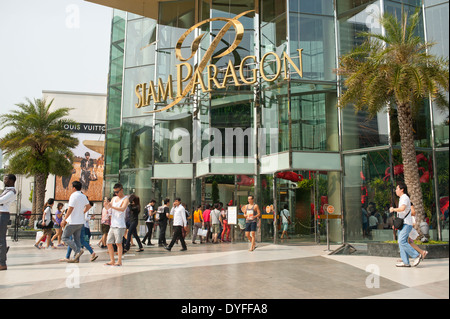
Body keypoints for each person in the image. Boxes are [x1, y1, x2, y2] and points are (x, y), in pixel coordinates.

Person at [390, 182, 422, 267]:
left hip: (406, 224)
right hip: (402, 224)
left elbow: (402, 208)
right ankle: (405, 262)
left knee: (401, 241)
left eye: (397, 189)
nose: (396, 190)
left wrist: (393, 209)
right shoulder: (402, 198)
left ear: (402, 189)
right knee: (401, 242)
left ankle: (417, 255)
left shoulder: (404, 197)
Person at [61, 181, 92, 263]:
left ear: (74, 188)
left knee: (64, 237)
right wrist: (83, 212)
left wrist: (64, 219)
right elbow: (88, 206)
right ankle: (76, 258)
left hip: (72, 221)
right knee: (77, 239)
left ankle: (78, 250)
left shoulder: (73, 196)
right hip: (80, 222)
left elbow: (70, 208)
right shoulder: (83, 196)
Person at [105, 183, 129, 266]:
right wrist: (106, 206)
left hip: (120, 224)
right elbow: (109, 209)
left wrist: (111, 207)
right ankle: (112, 260)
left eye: (117, 192)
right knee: (109, 242)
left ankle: (119, 261)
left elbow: (122, 209)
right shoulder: (114, 198)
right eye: (114, 192)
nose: (116, 193)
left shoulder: (125, 199)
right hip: (113, 224)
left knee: (118, 243)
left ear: (121, 190)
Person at [0, 174, 17, 271]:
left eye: (5, 179)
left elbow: (1, 200)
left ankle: (2, 263)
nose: (4, 180)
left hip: (3, 215)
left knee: (1, 239)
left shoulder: (12, 191)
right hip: (1, 214)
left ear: (11, 180)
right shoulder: (6, 190)